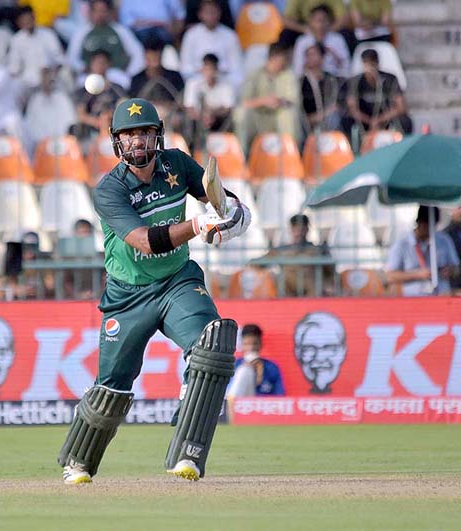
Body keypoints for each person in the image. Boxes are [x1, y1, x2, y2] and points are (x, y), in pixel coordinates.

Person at [57, 98, 251, 485]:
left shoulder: (176, 164)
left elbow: (219, 200)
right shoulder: (109, 190)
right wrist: (198, 226)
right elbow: (145, 242)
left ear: (157, 136)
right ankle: (78, 460)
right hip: (127, 295)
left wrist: (232, 214)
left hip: (177, 280)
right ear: (117, 143)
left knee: (212, 345)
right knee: (112, 386)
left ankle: (187, 452)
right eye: (129, 135)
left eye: (145, 132)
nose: (138, 142)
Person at [232, 41, 301, 155]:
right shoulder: (255, 74)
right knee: (241, 113)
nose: (285, 62)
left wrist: (279, 101)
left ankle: (291, 156)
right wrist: (264, 101)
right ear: (273, 58)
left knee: (288, 115)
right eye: (282, 58)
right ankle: (242, 156)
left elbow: (293, 101)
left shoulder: (288, 74)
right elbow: (244, 102)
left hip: (279, 115)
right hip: (258, 116)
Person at [385, 205, 460, 296]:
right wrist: (417, 275)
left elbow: (456, 267)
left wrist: (451, 271)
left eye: (432, 226)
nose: (429, 231)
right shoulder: (402, 244)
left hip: (442, 295)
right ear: (419, 223)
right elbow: (390, 276)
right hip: (414, 298)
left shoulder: (443, 240)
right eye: (426, 226)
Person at [254, 213, 335, 297]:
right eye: (295, 228)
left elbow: (330, 272)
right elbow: (259, 263)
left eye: (302, 228)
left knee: (317, 285)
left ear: (307, 229)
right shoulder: (283, 250)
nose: (298, 232)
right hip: (287, 290)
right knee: (276, 278)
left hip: (311, 289)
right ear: (291, 229)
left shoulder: (317, 250)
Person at [341, 48, 413, 140]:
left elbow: (401, 107)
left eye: (372, 64)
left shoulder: (390, 79)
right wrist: (370, 121)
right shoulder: (356, 81)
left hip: (386, 118)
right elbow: (352, 109)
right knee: (346, 121)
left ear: (378, 64)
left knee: (405, 121)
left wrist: (379, 120)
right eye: (367, 64)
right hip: (365, 119)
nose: (370, 69)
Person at [226, 323, 284, 397]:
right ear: (242, 346)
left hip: (263, 406)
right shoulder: (234, 365)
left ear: (260, 344)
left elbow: (280, 395)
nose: (251, 348)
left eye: (255, 344)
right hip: (240, 406)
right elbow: (228, 393)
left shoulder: (271, 367)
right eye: (247, 344)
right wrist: (246, 369)